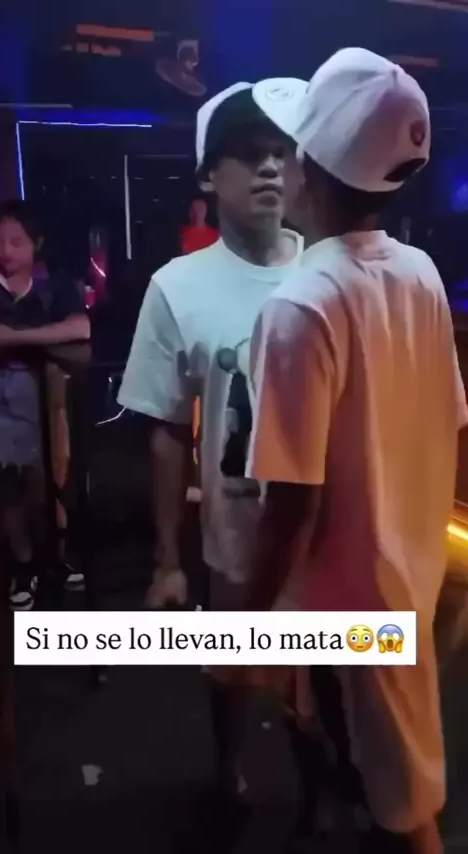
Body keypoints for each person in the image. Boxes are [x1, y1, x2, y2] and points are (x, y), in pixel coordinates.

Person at [234, 49, 468, 852]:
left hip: (349, 618)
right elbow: (449, 424)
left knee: (405, 818)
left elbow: (290, 504)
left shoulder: (303, 304)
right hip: (410, 586)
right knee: (371, 796)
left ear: (311, 165)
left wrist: (245, 634)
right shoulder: (420, 274)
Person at [118, 81, 304, 610]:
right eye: (249, 152)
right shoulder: (176, 287)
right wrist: (168, 563)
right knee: (237, 663)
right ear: (207, 175)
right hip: (235, 555)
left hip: (331, 553)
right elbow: (168, 431)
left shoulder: (335, 271)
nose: (270, 167)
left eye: (281, 151)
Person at [0, 200, 90, 610]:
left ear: (37, 245)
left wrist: (14, 338)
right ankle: (23, 564)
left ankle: (56, 556)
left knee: (49, 484)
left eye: (16, 242)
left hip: (45, 399)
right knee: (6, 485)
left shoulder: (53, 286)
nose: (5, 250)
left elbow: (80, 327)